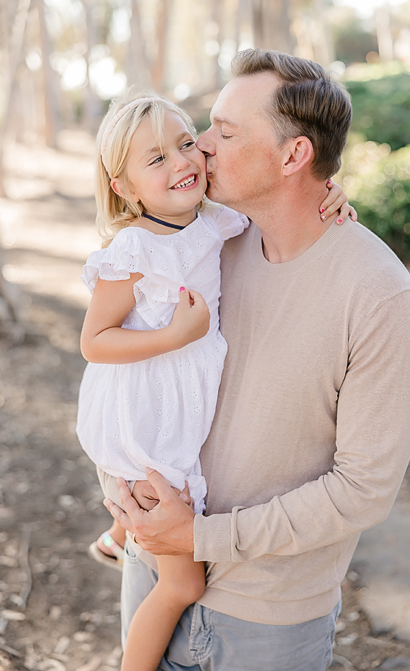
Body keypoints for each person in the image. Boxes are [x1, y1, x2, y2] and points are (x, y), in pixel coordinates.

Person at [103, 49, 410, 671]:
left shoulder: (381, 297)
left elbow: (362, 491)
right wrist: (124, 494)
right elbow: (121, 370)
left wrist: (199, 538)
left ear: (293, 155)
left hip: (268, 622)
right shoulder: (206, 243)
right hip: (151, 570)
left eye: (224, 132)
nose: (201, 146)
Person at [77, 90, 351, 671]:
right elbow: (94, 343)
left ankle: (117, 534)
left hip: (179, 413)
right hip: (147, 432)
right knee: (183, 586)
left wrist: (333, 195)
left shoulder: (215, 221)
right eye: (155, 160)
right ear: (123, 188)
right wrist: (174, 337)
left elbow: (285, 205)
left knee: (155, 517)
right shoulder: (131, 251)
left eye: (185, 144)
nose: (182, 163)